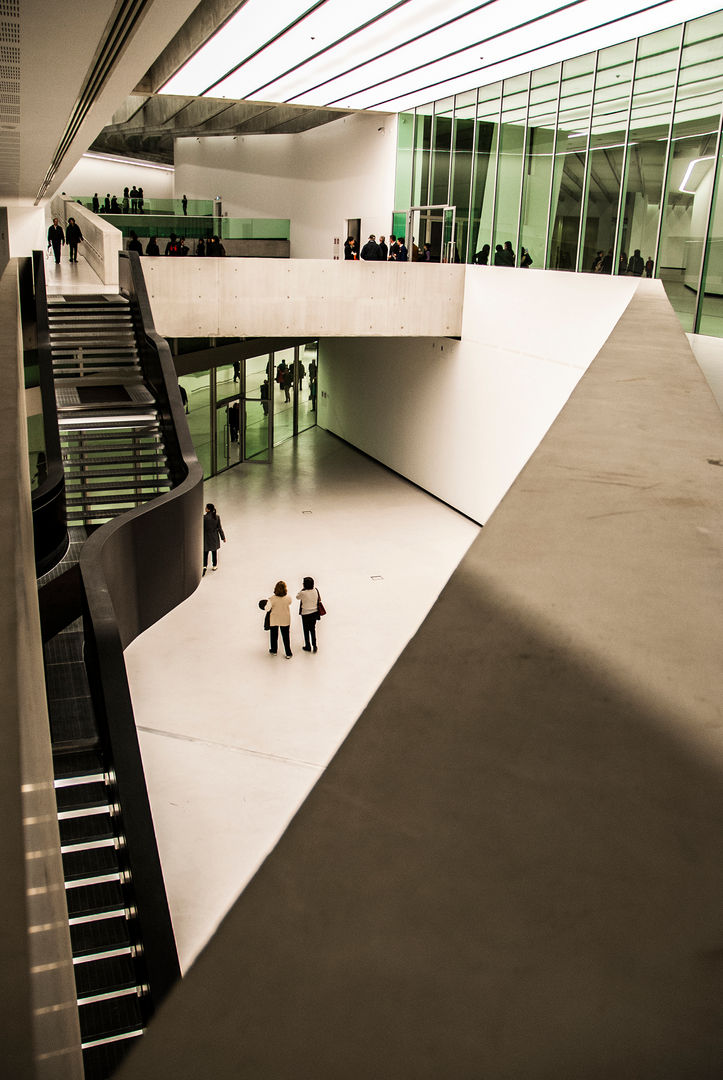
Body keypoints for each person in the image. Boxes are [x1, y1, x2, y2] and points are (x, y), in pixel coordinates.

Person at [263, 581, 293, 658]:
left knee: (274, 636)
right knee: (286, 637)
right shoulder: (288, 598)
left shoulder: (272, 599)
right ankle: (288, 653)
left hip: (274, 619)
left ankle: (274, 650)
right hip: (285, 619)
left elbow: (267, 609)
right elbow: (290, 602)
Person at [296, 576, 321, 652]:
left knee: (306, 630)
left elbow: (297, 597)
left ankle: (308, 646)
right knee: (312, 629)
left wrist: (302, 589)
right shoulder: (316, 590)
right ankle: (314, 645)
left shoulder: (303, 593)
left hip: (305, 614)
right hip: (314, 612)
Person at [202, 503, 226, 575]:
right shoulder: (217, 517)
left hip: (206, 537)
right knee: (214, 551)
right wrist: (223, 537)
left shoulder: (204, 518)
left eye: (206, 508)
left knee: (205, 552)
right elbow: (219, 528)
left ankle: (204, 565)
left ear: (208, 509)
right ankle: (214, 565)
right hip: (214, 537)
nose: (205, 508)